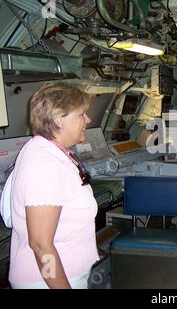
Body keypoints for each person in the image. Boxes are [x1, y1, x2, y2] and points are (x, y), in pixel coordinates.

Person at [9, 84, 100, 289]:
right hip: (45, 282)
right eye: (81, 114)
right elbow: (40, 244)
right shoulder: (44, 163)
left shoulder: (54, 152)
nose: (88, 120)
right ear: (60, 120)